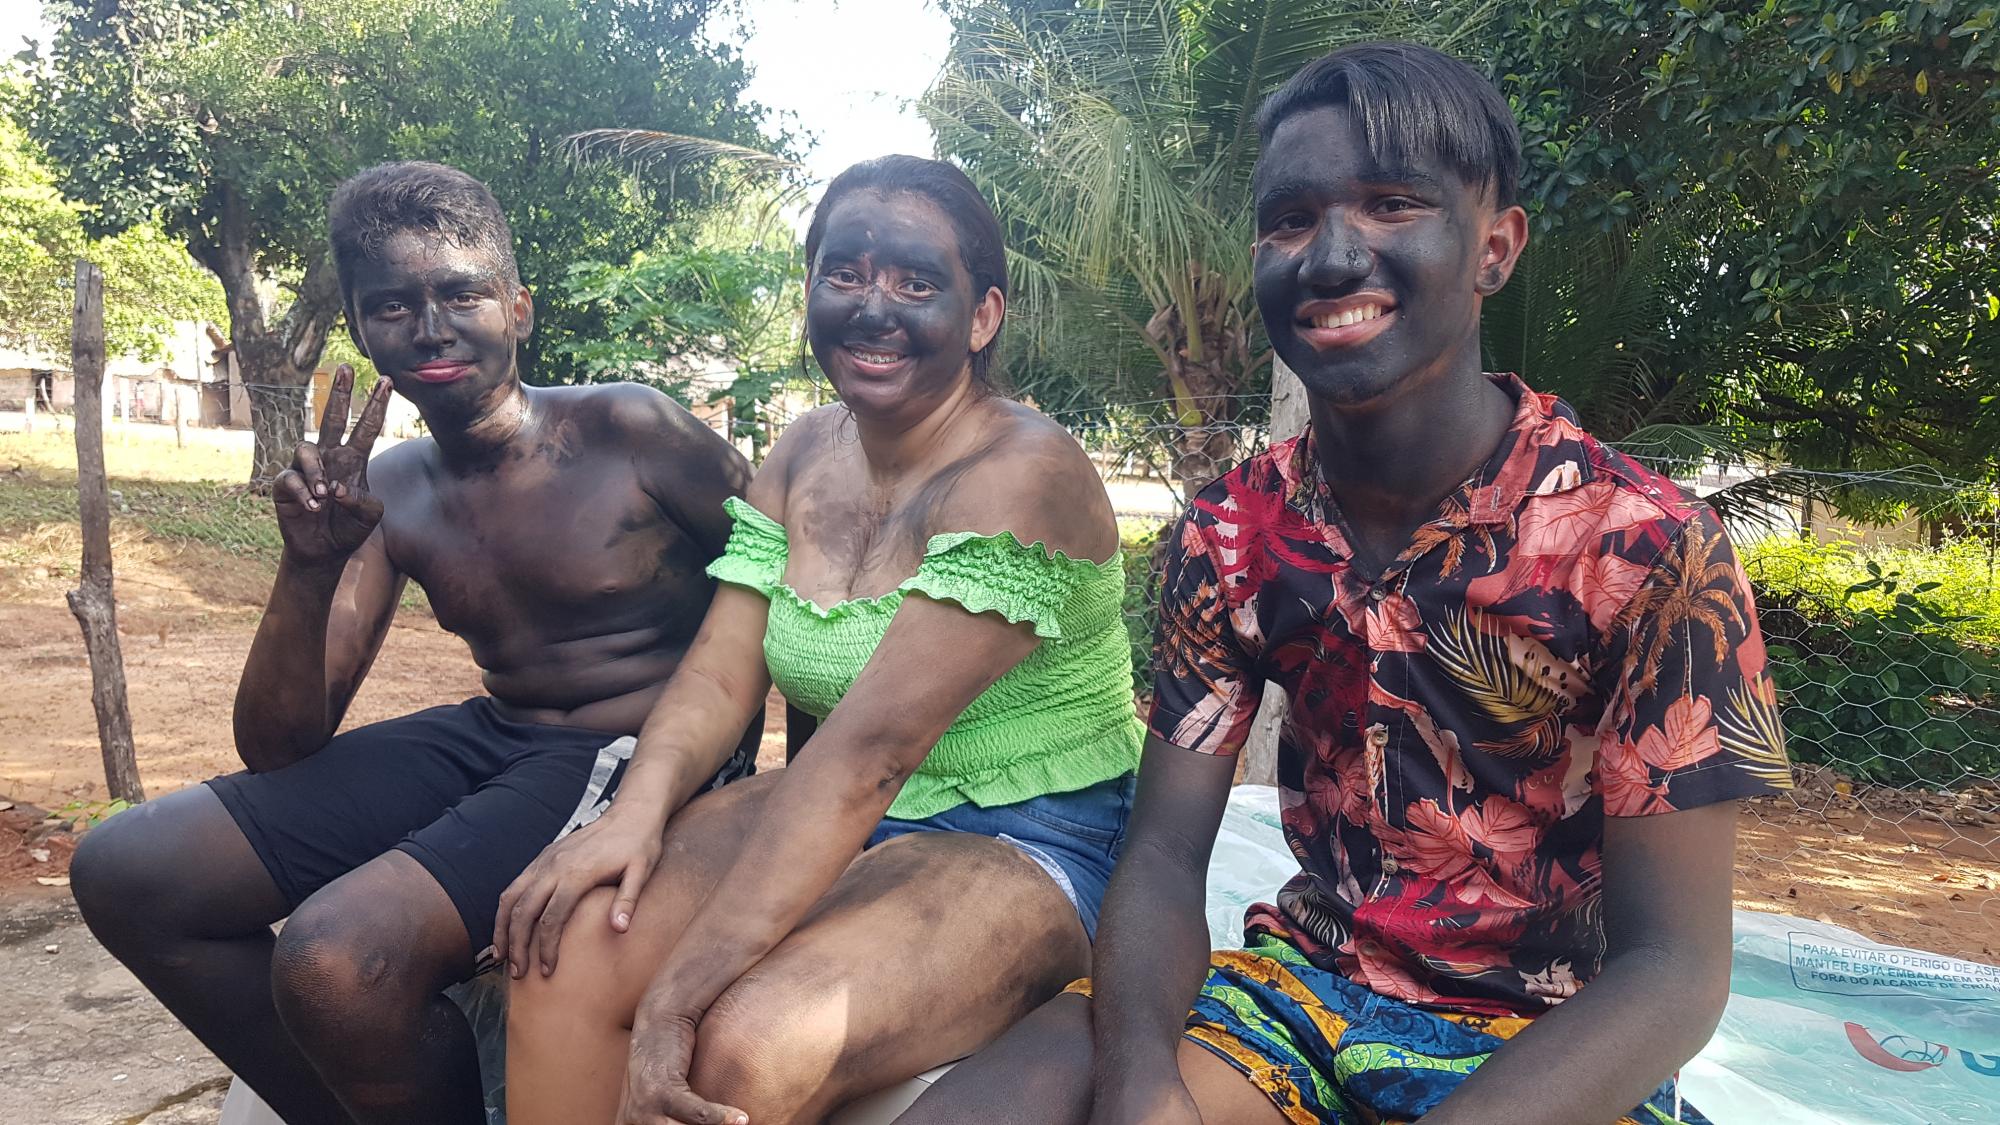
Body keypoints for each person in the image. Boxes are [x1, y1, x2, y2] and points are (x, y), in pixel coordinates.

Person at [901, 43, 1793, 1125]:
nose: (1327, 256)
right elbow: (1165, 853)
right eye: (1287, 219)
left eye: (1390, 204)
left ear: (1493, 248)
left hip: (1548, 1042)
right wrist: (1137, 1083)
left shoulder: (1646, 551)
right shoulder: (1232, 531)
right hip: (1303, 990)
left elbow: (1672, 970)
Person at [69, 161, 760, 1125]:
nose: (430, 328)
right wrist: (308, 568)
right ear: (358, 326)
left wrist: (789, 797)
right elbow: (278, 748)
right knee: (130, 868)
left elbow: (787, 581)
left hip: (644, 750)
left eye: (460, 294)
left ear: (518, 307)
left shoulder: (630, 429)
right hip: (502, 735)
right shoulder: (393, 485)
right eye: (392, 305)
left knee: (338, 954)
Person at [496, 154, 1144, 1125]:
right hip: (837, 807)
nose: (872, 306)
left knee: (750, 1041)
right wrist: (633, 812)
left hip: (1030, 838)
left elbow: (872, 756)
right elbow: (720, 672)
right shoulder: (802, 451)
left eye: (915, 282)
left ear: (981, 316)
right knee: (568, 942)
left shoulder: (1023, 473)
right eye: (843, 274)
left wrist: (681, 988)